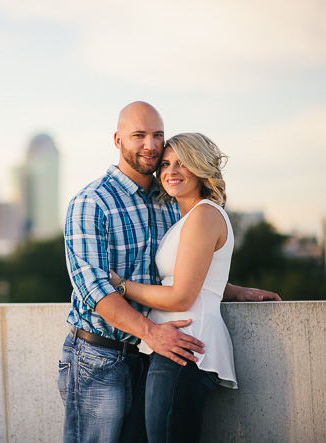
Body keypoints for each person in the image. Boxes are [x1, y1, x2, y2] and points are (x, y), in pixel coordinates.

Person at [58, 102, 280, 443]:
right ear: (118, 140)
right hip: (101, 357)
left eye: (157, 135)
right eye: (139, 135)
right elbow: (93, 289)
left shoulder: (168, 201)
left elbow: (182, 269)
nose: (150, 144)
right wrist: (151, 332)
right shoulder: (92, 202)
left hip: (153, 352)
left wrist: (229, 289)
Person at [109, 132, 237, 442]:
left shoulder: (204, 214)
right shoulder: (187, 217)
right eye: (165, 164)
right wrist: (236, 290)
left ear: (201, 167)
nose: (170, 171)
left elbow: (182, 295)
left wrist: (121, 286)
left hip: (188, 346)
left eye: (182, 163)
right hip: (169, 345)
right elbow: (200, 274)